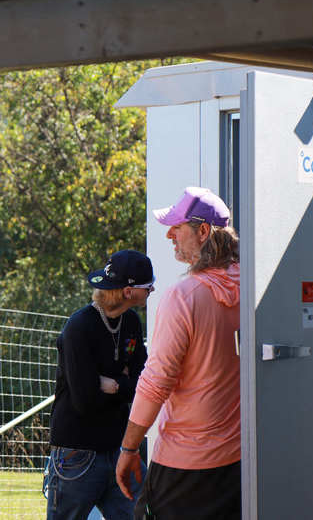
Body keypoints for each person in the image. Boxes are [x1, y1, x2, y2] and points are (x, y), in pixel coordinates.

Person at [115, 187, 241, 520]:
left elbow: (156, 382)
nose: (169, 234)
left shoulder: (183, 297)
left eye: (177, 226)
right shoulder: (252, 287)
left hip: (185, 467)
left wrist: (129, 448)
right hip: (239, 465)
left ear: (203, 231)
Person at [45, 249, 155, 520]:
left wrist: (113, 384)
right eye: (146, 285)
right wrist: (125, 382)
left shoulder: (130, 321)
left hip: (118, 448)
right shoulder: (79, 327)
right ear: (128, 291)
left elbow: (144, 380)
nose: (152, 288)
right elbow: (84, 399)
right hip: (77, 453)